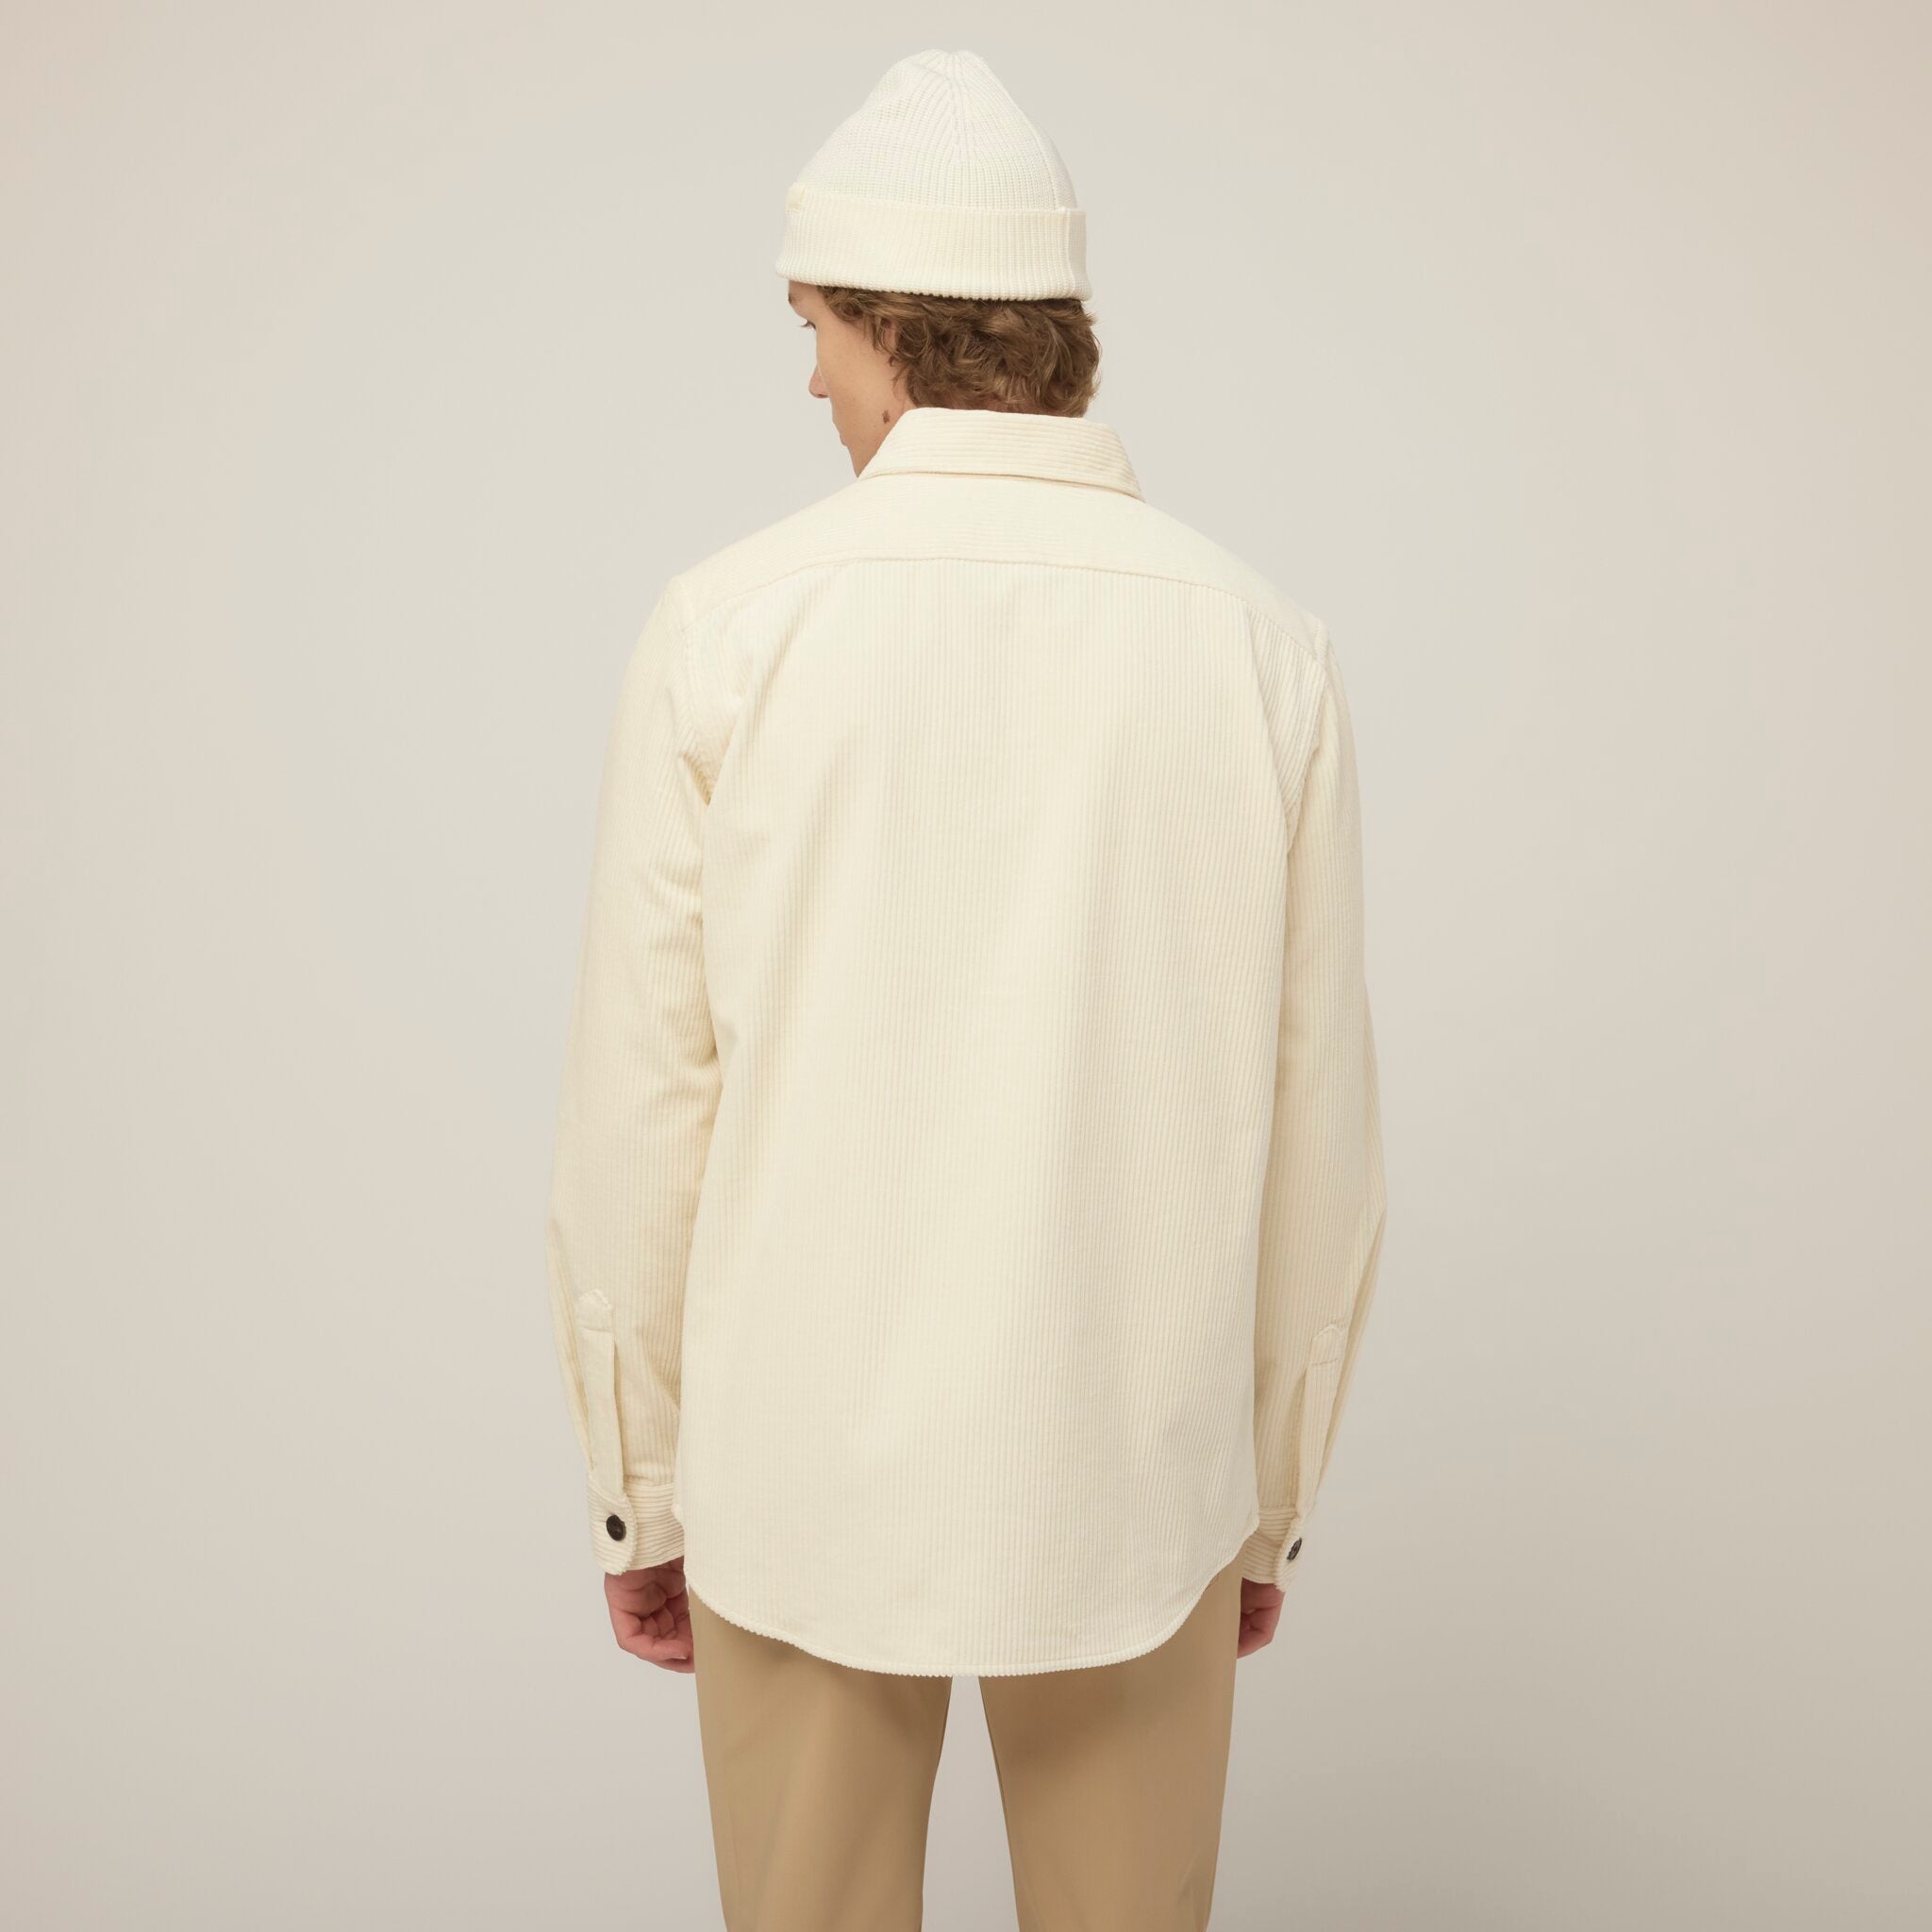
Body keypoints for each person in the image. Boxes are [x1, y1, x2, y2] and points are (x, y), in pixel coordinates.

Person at [544, 46, 1388, 1932]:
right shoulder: (1260, 649)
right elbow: (1319, 1138)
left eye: (815, 330)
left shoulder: (728, 630)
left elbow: (642, 1111)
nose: (810, 383)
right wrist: (1265, 1497)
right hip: (1135, 1468)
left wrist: (642, 1487)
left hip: (795, 1473)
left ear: (893, 326)